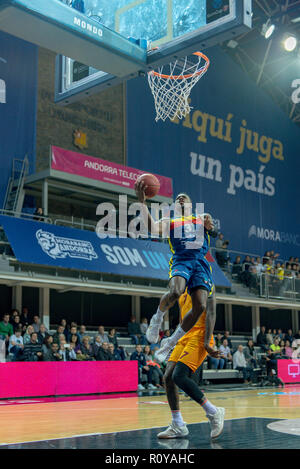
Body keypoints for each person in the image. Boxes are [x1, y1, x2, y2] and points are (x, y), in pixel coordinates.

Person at [135, 182, 217, 363]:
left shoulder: (201, 217)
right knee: (176, 291)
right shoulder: (170, 221)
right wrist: (142, 203)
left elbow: (214, 230)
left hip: (200, 262)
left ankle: (170, 342)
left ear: (190, 204)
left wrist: (211, 226)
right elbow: (152, 229)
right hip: (182, 259)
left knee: (201, 306)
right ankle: (157, 319)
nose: (180, 198)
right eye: (178, 198)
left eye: (184, 197)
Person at [157, 289, 225, 440]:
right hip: (184, 336)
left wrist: (207, 341)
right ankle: (178, 424)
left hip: (200, 335)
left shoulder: (205, 280)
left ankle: (214, 412)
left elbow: (211, 313)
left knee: (179, 376)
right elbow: (184, 318)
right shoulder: (182, 284)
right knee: (168, 377)